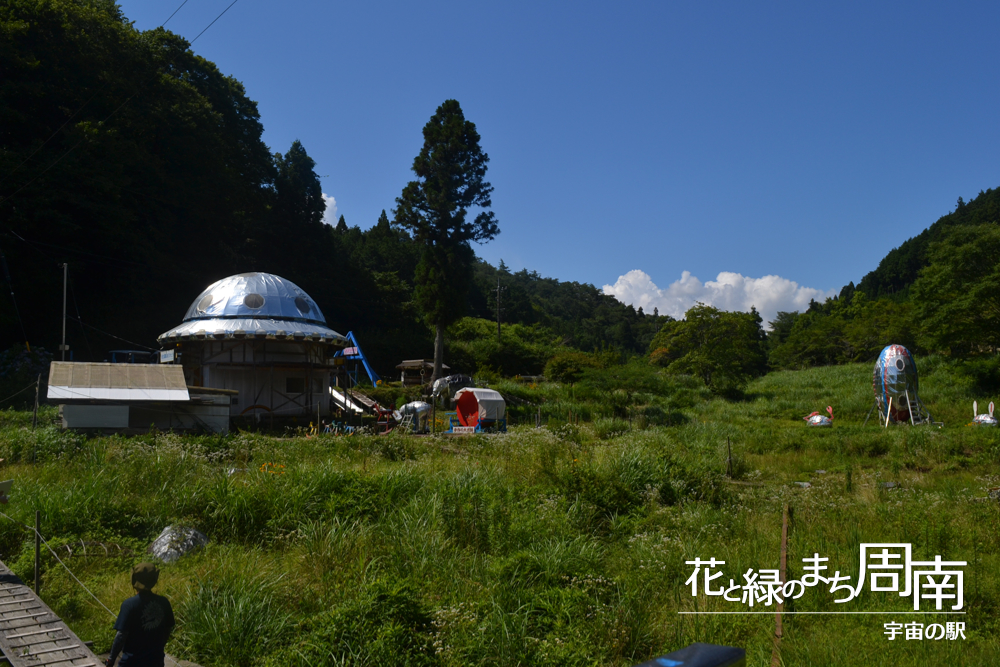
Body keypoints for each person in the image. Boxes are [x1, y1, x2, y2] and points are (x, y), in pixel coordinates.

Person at [106, 563, 175, 667]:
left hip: (131, 662)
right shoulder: (164, 602)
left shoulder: (129, 604)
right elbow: (167, 630)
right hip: (156, 661)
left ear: (134, 580)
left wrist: (111, 660)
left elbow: (121, 636)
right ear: (154, 579)